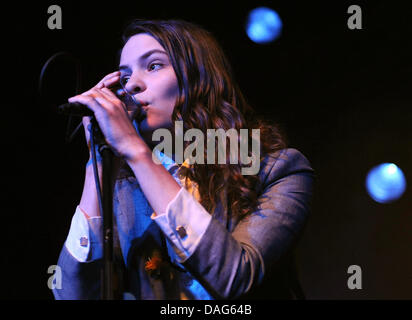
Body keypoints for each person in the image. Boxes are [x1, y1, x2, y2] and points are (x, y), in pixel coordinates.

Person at [53, 19, 315, 300]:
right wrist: (97, 163)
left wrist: (136, 151)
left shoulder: (278, 170)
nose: (133, 86)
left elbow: (235, 278)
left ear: (197, 77)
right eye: (125, 77)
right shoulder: (124, 188)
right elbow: (73, 296)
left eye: (153, 66)